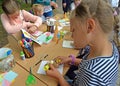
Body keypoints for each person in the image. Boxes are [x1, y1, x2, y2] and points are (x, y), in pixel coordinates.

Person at [46, 0, 119, 86]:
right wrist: (72, 60)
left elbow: (91, 70)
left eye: (73, 30)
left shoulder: (93, 75)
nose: (72, 36)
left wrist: (59, 77)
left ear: (90, 26)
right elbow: (88, 63)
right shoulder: (111, 47)